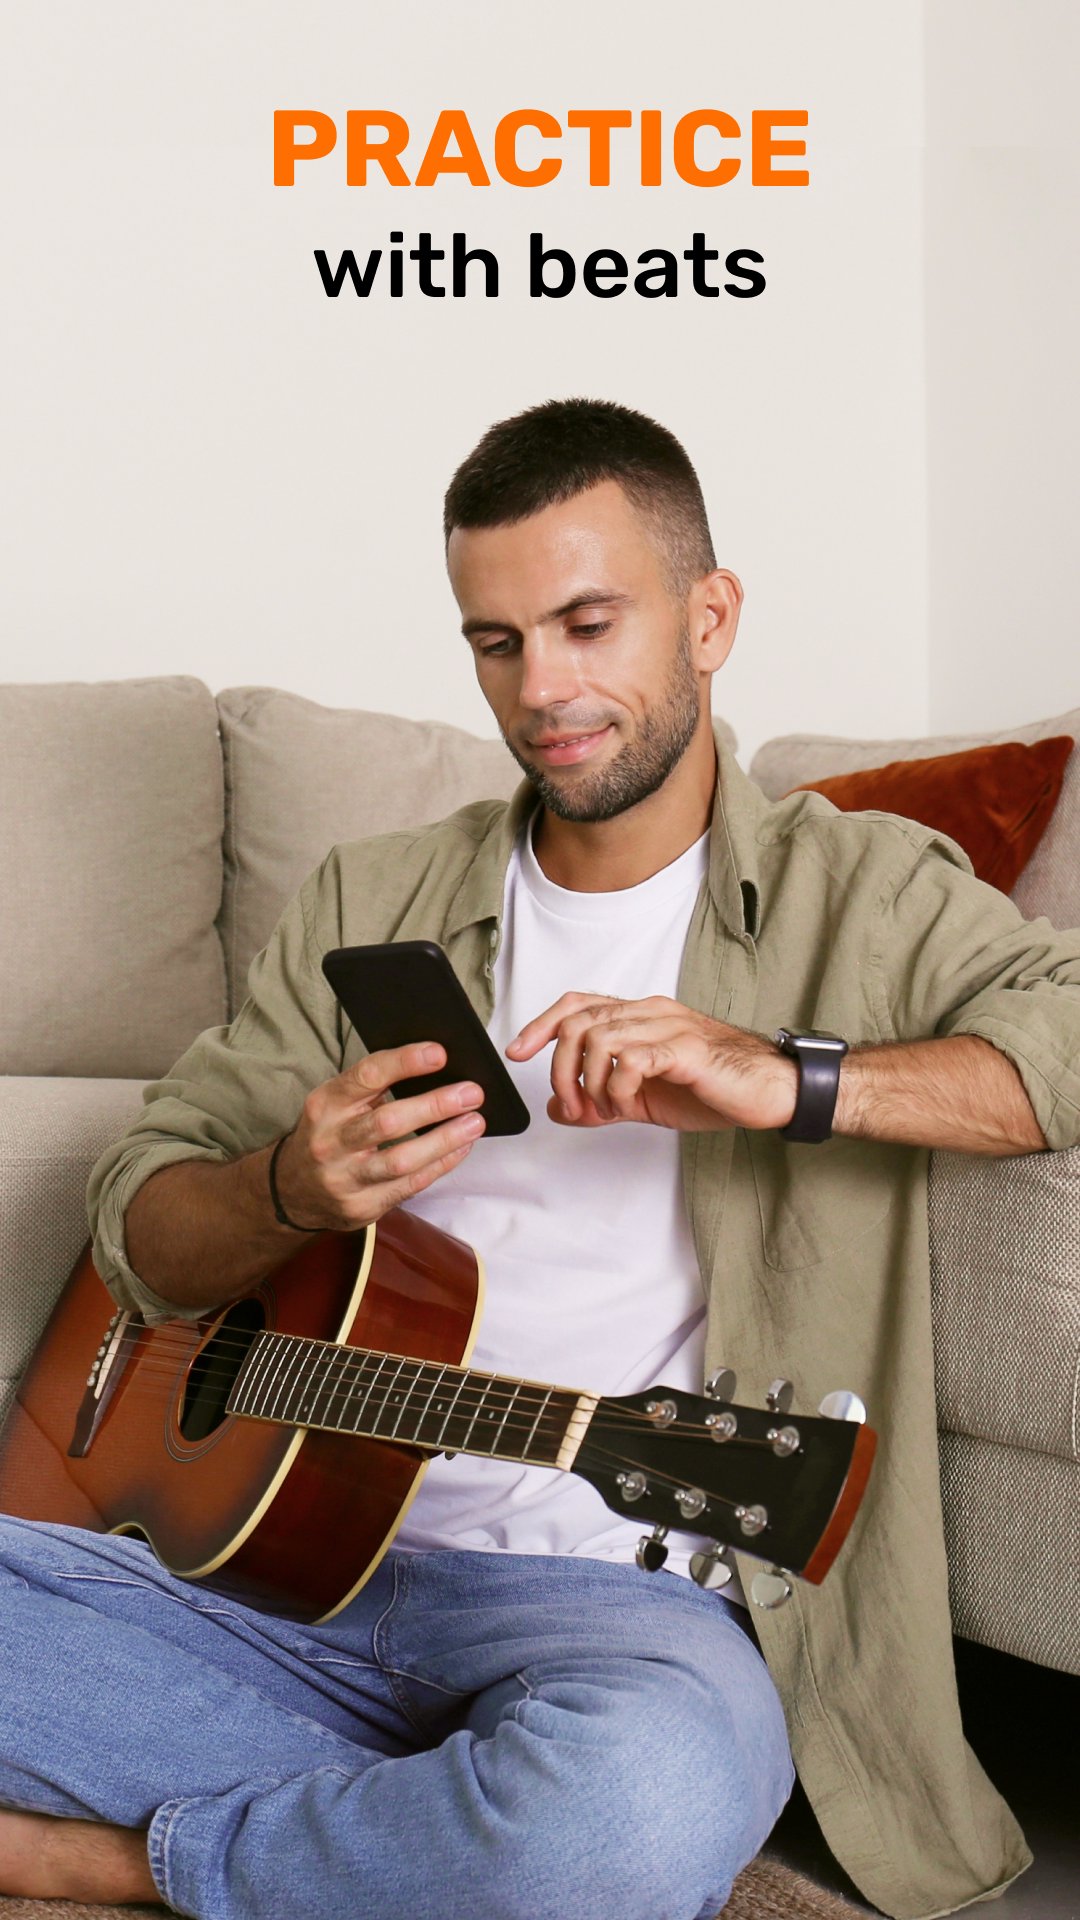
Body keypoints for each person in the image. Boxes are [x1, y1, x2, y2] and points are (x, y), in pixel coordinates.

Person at [2, 398, 1078, 1920]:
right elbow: (144, 1225)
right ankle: (423, 1827)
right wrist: (287, 1189)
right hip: (270, 1581)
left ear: (710, 619)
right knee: (570, 1841)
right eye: (497, 642)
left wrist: (786, 1077)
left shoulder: (864, 889)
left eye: (587, 624)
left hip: (618, 1620)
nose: (543, 689)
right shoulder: (372, 896)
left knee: (635, 1808)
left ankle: (125, 1854)